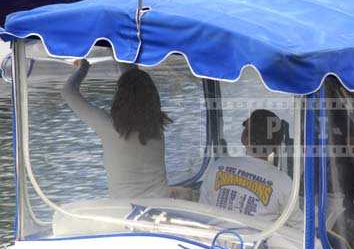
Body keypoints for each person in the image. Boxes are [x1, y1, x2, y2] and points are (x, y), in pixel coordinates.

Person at [62, 59, 171, 199]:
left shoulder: (109, 127)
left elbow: (68, 92)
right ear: (154, 99)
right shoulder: (157, 128)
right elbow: (134, 82)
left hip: (126, 211)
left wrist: (83, 67)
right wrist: (121, 56)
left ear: (119, 98)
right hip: (162, 205)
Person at [198, 109, 292, 218]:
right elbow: (298, 226)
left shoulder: (219, 166)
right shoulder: (284, 182)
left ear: (244, 137)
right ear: (277, 145)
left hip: (215, 233)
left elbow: (202, 211)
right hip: (258, 235)